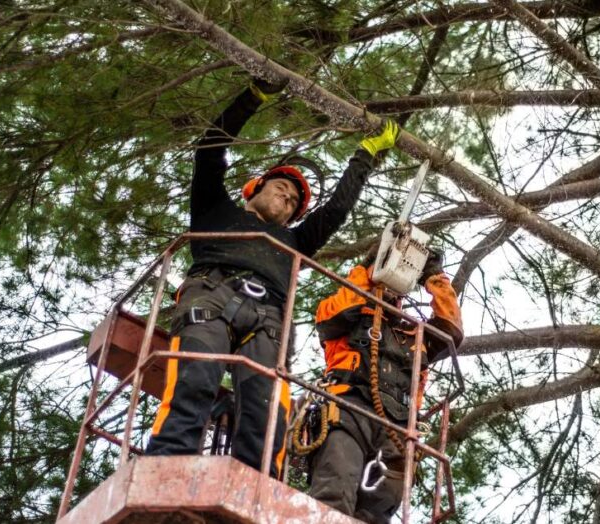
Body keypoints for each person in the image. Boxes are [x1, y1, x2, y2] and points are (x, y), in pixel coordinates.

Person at [145, 78, 401, 478]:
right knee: (195, 376)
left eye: (295, 202)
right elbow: (209, 150)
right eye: (282, 188)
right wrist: (253, 96)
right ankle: (164, 467)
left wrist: (364, 156)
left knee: (266, 406)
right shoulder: (215, 209)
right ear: (254, 188)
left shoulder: (295, 240)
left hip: (267, 317)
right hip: (210, 295)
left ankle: (255, 483)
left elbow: (335, 211)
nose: (288, 198)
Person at [303, 250, 463, 523]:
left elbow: (451, 330)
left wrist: (434, 278)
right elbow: (338, 312)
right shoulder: (347, 317)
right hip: (348, 409)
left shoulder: (416, 335)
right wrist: (366, 268)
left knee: (380, 507)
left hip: (398, 426)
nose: (389, 292)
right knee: (335, 489)